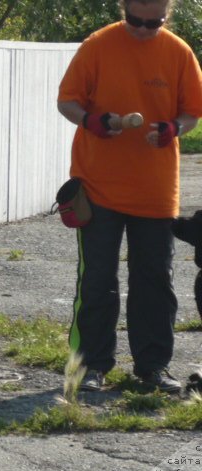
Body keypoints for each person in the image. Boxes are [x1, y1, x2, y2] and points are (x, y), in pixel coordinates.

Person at [57, 0, 202, 392]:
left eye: (151, 23)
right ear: (124, 10)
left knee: (155, 280)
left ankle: (152, 368)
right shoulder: (98, 45)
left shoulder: (178, 53)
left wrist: (174, 129)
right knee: (97, 280)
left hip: (155, 192)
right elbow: (66, 101)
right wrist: (90, 121)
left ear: (165, 16)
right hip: (98, 187)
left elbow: (192, 112)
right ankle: (90, 368)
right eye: (134, 20)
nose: (141, 29)